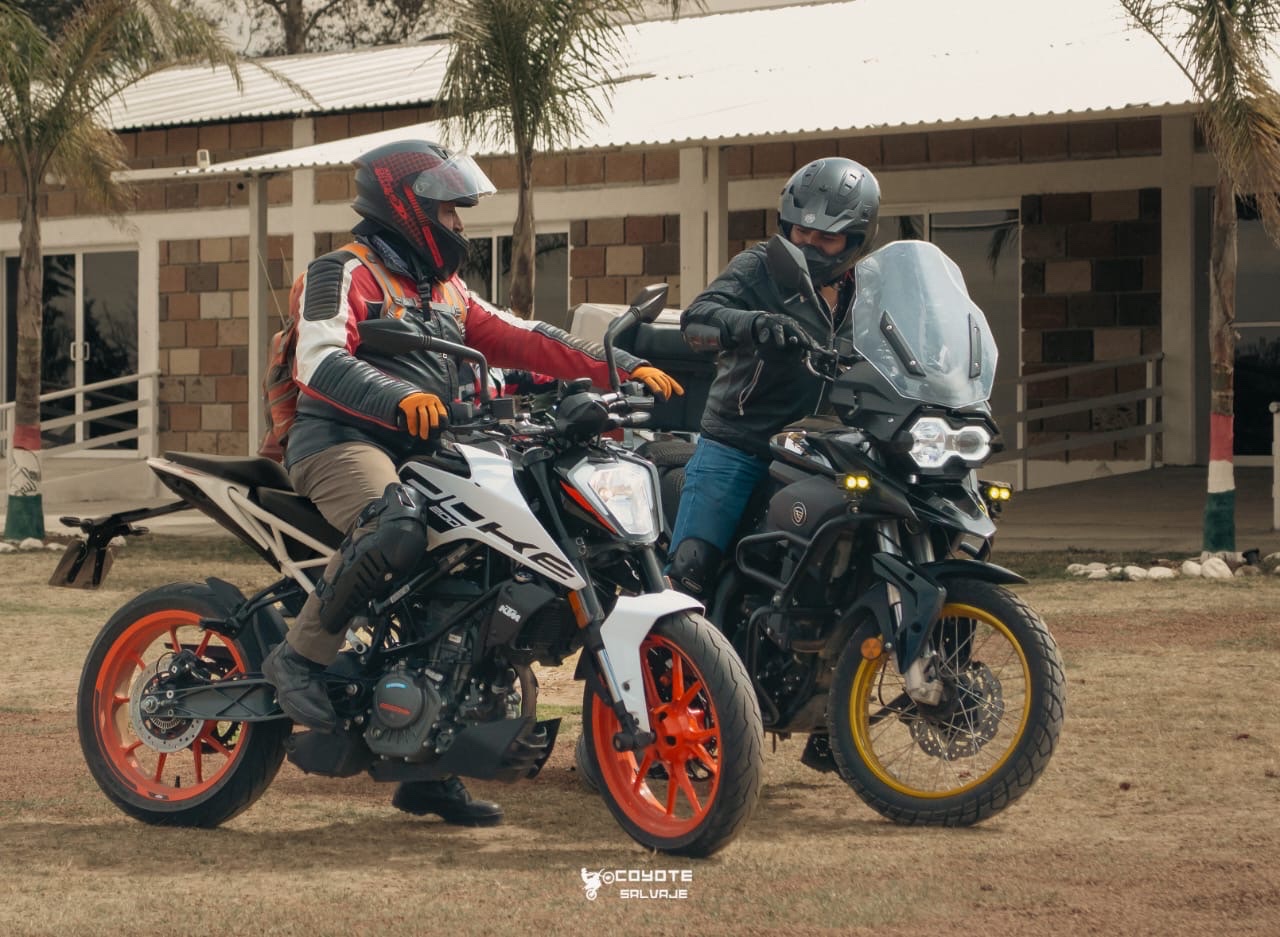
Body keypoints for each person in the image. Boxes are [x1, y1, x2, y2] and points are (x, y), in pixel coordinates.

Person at [261, 139, 683, 826]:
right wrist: (394, 401)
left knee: (480, 576)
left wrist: (620, 367)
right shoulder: (343, 272)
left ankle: (428, 768)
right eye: (449, 213)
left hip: (436, 445)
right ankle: (299, 658)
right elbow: (319, 358)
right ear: (408, 207)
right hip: (344, 441)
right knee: (395, 522)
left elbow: (526, 338)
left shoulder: (447, 291)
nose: (458, 227)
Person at [665, 157, 880, 773]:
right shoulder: (759, 266)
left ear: (857, 239)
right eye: (801, 231)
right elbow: (698, 321)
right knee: (689, 580)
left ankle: (836, 725)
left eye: (827, 235)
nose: (810, 244)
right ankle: (660, 721)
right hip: (742, 439)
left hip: (829, 449)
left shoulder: (871, 289)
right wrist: (753, 323)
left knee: (858, 573)